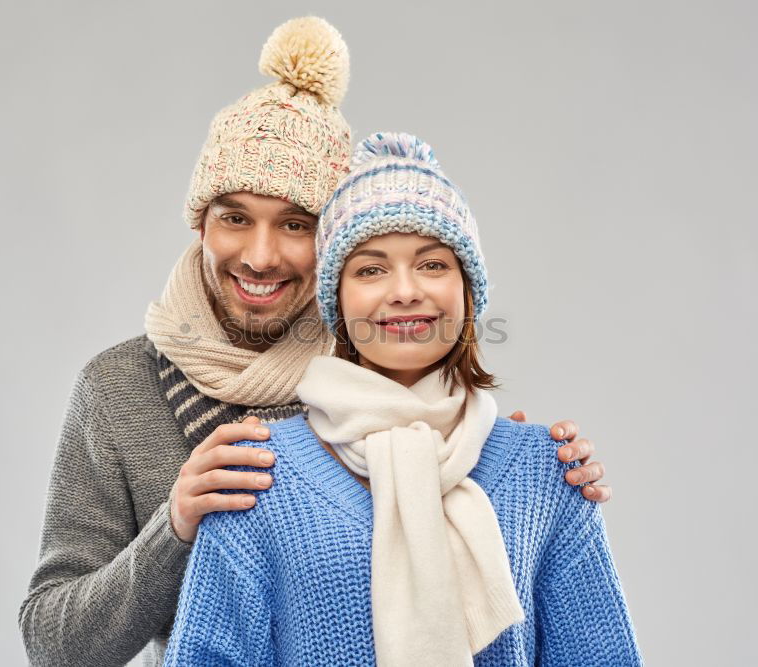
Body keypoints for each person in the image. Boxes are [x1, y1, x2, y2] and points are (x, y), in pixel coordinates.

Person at [19, 18, 613, 667]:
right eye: (234, 218)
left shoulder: (378, 353)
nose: (261, 254)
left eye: (296, 223)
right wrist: (177, 524)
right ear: (201, 223)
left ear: (332, 247)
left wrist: (505, 461)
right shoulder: (119, 388)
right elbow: (54, 645)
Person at [162, 133, 641, 666]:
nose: (405, 290)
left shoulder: (548, 471)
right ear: (336, 301)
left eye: (433, 264)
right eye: (370, 269)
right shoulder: (257, 477)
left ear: (467, 289)